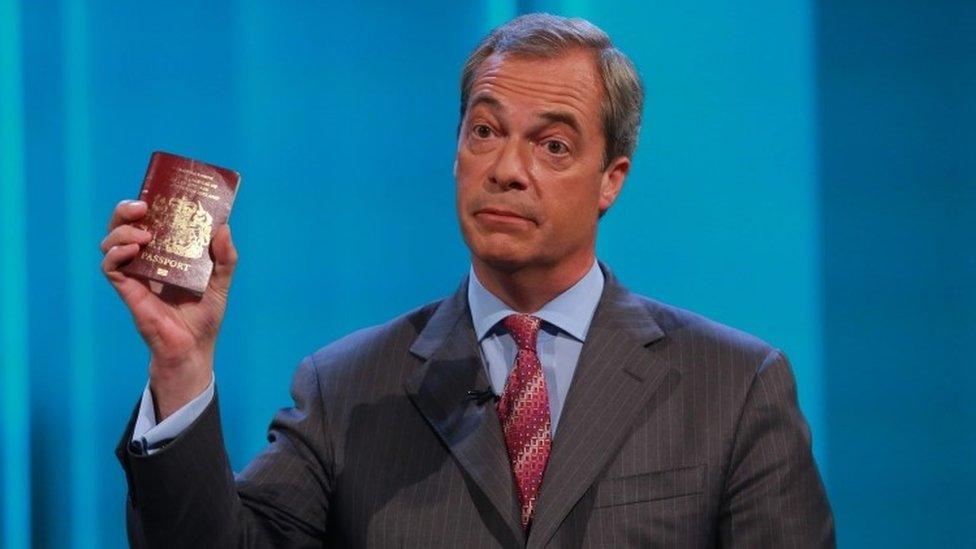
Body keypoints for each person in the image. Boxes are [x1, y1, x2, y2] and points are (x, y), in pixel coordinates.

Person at [102, 13, 835, 548]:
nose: (507, 169)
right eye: (484, 131)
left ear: (612, 179)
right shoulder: (347, 389)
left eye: (552, 145)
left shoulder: (733, 386)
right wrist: (181, 363)